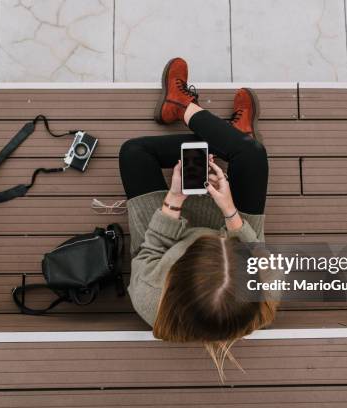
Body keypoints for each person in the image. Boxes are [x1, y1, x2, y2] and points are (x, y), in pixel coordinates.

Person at [119, 57, 277, 381]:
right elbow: (253, 244)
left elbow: (151, 252)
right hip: (228, 222)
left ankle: (184, 108)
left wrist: (174, 201)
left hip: (165, 237)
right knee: (252, 155)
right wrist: (230, 212)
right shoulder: (263, 296)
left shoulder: (149, 294)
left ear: (175, 275)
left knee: (133, 153)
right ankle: (220, 132)